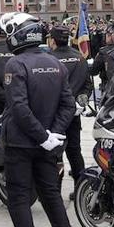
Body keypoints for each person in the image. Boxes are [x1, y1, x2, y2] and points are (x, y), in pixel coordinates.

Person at [0, 12, 75, 227]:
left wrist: (43, 135)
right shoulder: (55, 64)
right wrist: (53, 133)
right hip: (48, 142)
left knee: (19, 198)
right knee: (51, 194)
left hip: (22, 142)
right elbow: (69, 104)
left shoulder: (16, 64)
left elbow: (19, 107)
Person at [47, 26, 88, 193]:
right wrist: (80, 100)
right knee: (74, 151)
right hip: (73, 113)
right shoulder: (80, 58)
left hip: (53, 115)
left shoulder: (48, 59)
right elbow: (87, 85)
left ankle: (54, 192)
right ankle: (81, 189)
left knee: (54, 155)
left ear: (53, 40)